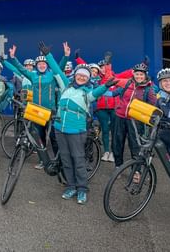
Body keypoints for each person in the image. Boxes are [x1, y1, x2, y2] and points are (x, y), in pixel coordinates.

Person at [42, 42, 115, 205]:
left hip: (77, 130)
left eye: (85, 76)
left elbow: (96, 93)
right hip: (60, 129)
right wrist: (48, 56)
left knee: (78, 159)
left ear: (88, 79)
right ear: (75, 75)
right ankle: (71, 186)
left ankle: (82, 189)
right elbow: (56, 70)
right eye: (79, 75)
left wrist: (104, 86)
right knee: (66, 160)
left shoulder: (87, 92)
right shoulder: (65, 86)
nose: (81, 77)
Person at [7, 44, 59, 168]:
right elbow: (21, 69)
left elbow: (59, 67)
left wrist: (66, 56)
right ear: (37, 66)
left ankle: (57, 161)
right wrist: (13, 57)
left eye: (44, 64)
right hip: (37, 111)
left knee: (53, 137)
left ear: (47, 65)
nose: (41, 65)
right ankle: (43, 161)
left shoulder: (52, 75)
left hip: (50, 111)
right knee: (39, 137)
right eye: (39, 64)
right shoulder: (33, 75)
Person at [107, 62, 157, 172]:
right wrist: (102, 89)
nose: (139, 76)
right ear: (133, 74)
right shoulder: (127, 84)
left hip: (135, 121)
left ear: (145, 75)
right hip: (119, 117)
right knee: (117, 143)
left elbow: (154, 106)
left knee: (135, 146)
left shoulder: (149, 89)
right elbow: (112, 93)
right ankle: (118, 166)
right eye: (137, 74)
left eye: (141, 74)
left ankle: (137, 170)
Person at [155, 68, 170, 187]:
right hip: (167, 140)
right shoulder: (160, 99)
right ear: (160, 84)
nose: (168, 83)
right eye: (165, 81)